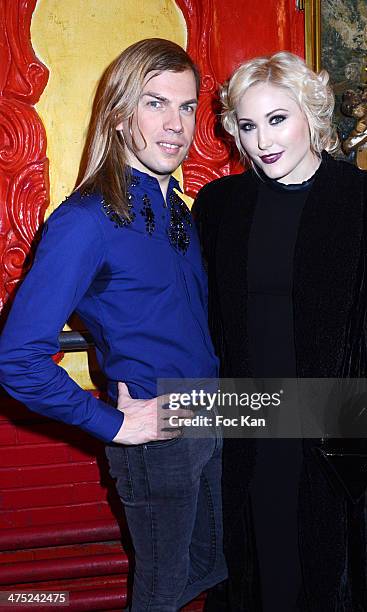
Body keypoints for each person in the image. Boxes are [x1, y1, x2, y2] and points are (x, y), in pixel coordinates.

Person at [0, 38, 226, 611]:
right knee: (160, 596)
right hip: (158, 428)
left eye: (187, 106)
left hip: (215, 411)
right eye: (156, 103)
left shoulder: (176, 204)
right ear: (120, 116)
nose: (176, 124)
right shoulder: (83, 220)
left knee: (215, 566)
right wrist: (111, 424)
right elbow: (16, 359)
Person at [193, 51, 367, 611]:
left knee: (333, 580)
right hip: (249, 426)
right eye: (247, 124)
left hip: (340, 430)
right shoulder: (218, 206)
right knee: (259, 577)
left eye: (277, 118)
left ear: (312, 115)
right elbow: (198, 318)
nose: (262, 140)